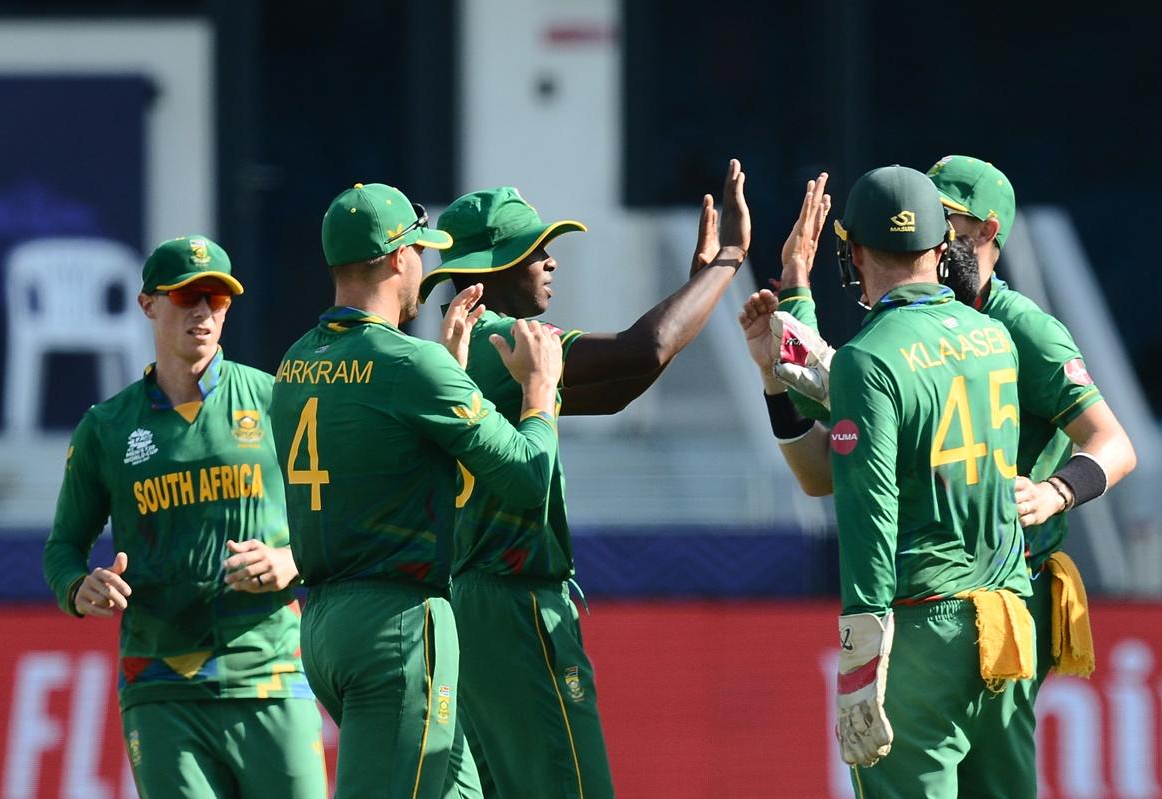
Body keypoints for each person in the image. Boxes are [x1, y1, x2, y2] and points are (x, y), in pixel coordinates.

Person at [419, 159, 751, 798]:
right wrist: (728, 262)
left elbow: (620, 387)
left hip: (478, 603)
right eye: (534, 250)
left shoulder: (480, 347)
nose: (551, 261)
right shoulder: (500, 341)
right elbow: (642, 348)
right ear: (490, 266)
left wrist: (695, 290)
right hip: (513, 603)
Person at [759, 157, 1137, 696]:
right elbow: (826, 471)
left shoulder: (1022, 328)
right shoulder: (919, 320)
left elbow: (1115, 443)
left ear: (987, 231)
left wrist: (1057, 491)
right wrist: (792, 300)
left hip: (1007, 590)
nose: (928, 228)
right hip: (933, 598)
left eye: (946, 217)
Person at [743, 166, 1036, 797]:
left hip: (921, 634)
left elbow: (863, 508)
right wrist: (787, 351)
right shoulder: (995, 338)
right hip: (1008, 625)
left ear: (852, 253)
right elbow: (878, 402)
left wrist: (859, 659)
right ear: (940, 249)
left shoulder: (869, 358)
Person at [270, 182, 566, 798]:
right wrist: (540, 390)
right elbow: (524, 478)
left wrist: (448, 375)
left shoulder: (295, 362)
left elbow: (386, 451)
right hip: (397, 627)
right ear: (398, 258)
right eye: (421, 252)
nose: (425, 266)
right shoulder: (410, 363)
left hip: (323, 625)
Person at [43, 235, 326, 798]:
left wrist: (291, 559)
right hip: (160, 686)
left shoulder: (277, 401)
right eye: (186, 297)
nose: (202, 311)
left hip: (269, 675)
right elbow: (62, 550)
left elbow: (339, 518)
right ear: (148, 304)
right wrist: (81, 587)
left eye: (217, 300)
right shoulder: (107, 426)